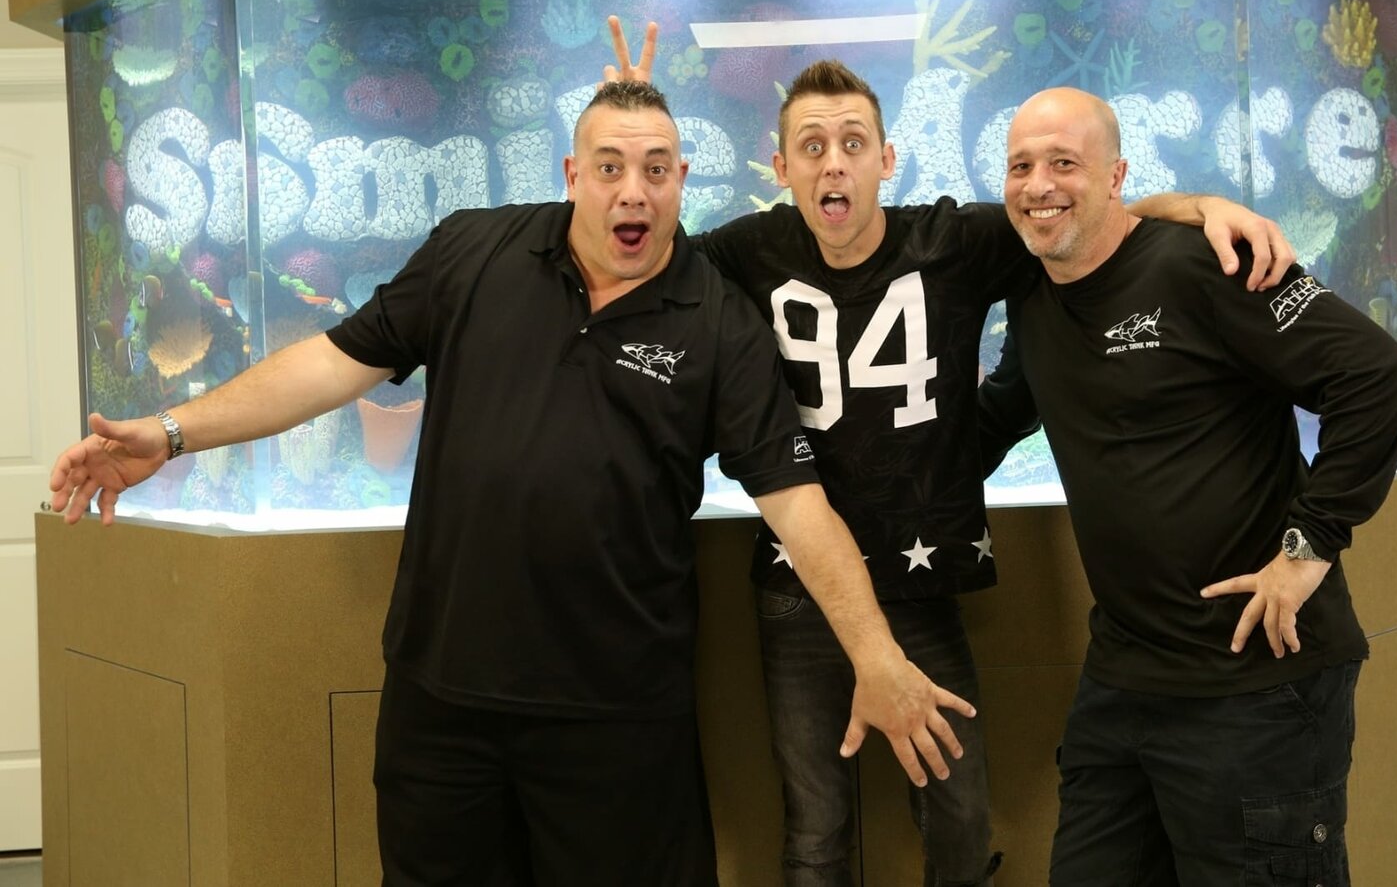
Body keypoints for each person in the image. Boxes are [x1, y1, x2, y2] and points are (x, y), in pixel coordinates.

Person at [46, 81, 977, 886]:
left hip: (619, 720)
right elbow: (327, 366)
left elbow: (798, 505)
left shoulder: (719, 319)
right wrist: (169, 432)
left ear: (683, 182)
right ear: (571, 174)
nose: (633, 189)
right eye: (609, 166)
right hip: (444, 707)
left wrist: (876, 655)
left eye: (656, 169)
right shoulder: (474, 253)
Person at [604, 22, 1299, 886]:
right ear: (779, 167)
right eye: (811, 147)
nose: (833, 164)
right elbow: (639, 252)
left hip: (921, 580)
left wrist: (1203, 207)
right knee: (816, 824)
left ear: (887, 159)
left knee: (961, 812)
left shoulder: (955, 241)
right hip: (799, 585)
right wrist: (629, 123)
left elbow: (1082, 218)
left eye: (852, 144)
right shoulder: (748, 250)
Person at [977, 86, 1397, 886]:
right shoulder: (1034, 292)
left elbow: (1377, 376)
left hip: (1256, 684)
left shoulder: (1207, 264)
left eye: (1064, 162)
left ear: (1117, 176)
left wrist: (1310, 545)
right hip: (1123, 680)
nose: (1039, 184)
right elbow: (996, 416)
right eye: (1021, 165)